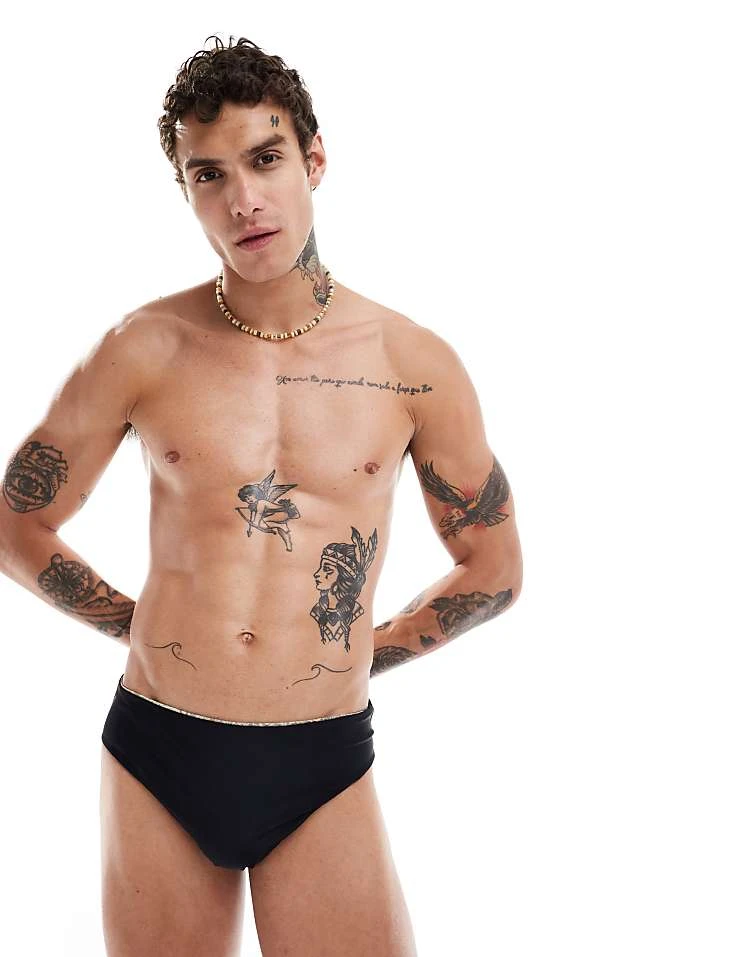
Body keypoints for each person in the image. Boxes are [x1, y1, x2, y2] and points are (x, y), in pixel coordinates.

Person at [0, 34, 523, 957]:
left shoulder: (412, 364)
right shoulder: (141, 347)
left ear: (314, 160)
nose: (242, 199)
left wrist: (363, 650)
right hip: (159, 747)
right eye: (208, 175)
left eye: (265, 159)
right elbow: (16, 518)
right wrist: (136, 623)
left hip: (320, 756)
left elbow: (493, 566)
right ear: (186, 190)